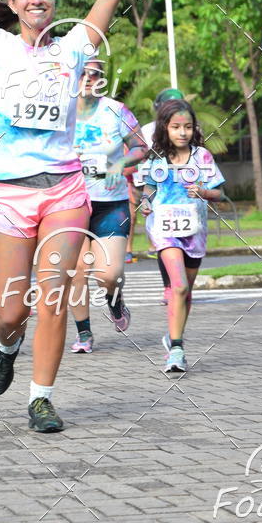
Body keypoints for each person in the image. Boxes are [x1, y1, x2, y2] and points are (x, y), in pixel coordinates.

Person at [0, 0, 178, 432]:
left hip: (65, 192)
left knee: (52, 297)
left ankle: (40, 398)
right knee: (10, 310)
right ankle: (5, 346)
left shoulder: (74, 48)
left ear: (53, 2)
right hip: (7, 193)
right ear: (15, 3)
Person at [69, 59, 149, 353]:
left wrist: (121, 162)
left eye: (95, 75)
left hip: (110, 203)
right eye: (82, 74)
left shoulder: (116, 111)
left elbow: (141, 146)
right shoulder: (59, 113)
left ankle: (115, 302)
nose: (89, 79)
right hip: (70, 204)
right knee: (76, 271)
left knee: (109, 274)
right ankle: (84, 334)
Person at [140, 99, 225, 373]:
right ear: (165, 128)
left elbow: (219, 194)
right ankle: (176, 349)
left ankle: (173, 336)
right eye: (176, 127)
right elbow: (148, 189)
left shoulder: (203, 157)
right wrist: (145, 202)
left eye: (187, 127)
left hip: (194, 230)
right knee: (177, 286)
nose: (182, 132)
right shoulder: (156, 158)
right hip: (164, 229)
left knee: (186, 292)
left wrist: (203, 192)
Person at [140, 87, 184, 285]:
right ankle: (169, 286)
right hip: (160, 198)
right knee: (164, 244)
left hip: (186, 200)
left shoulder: (191, 128)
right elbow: (146, 168)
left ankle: (182, 286)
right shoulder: (148, 131)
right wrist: (145, 198)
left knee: (185, 246)